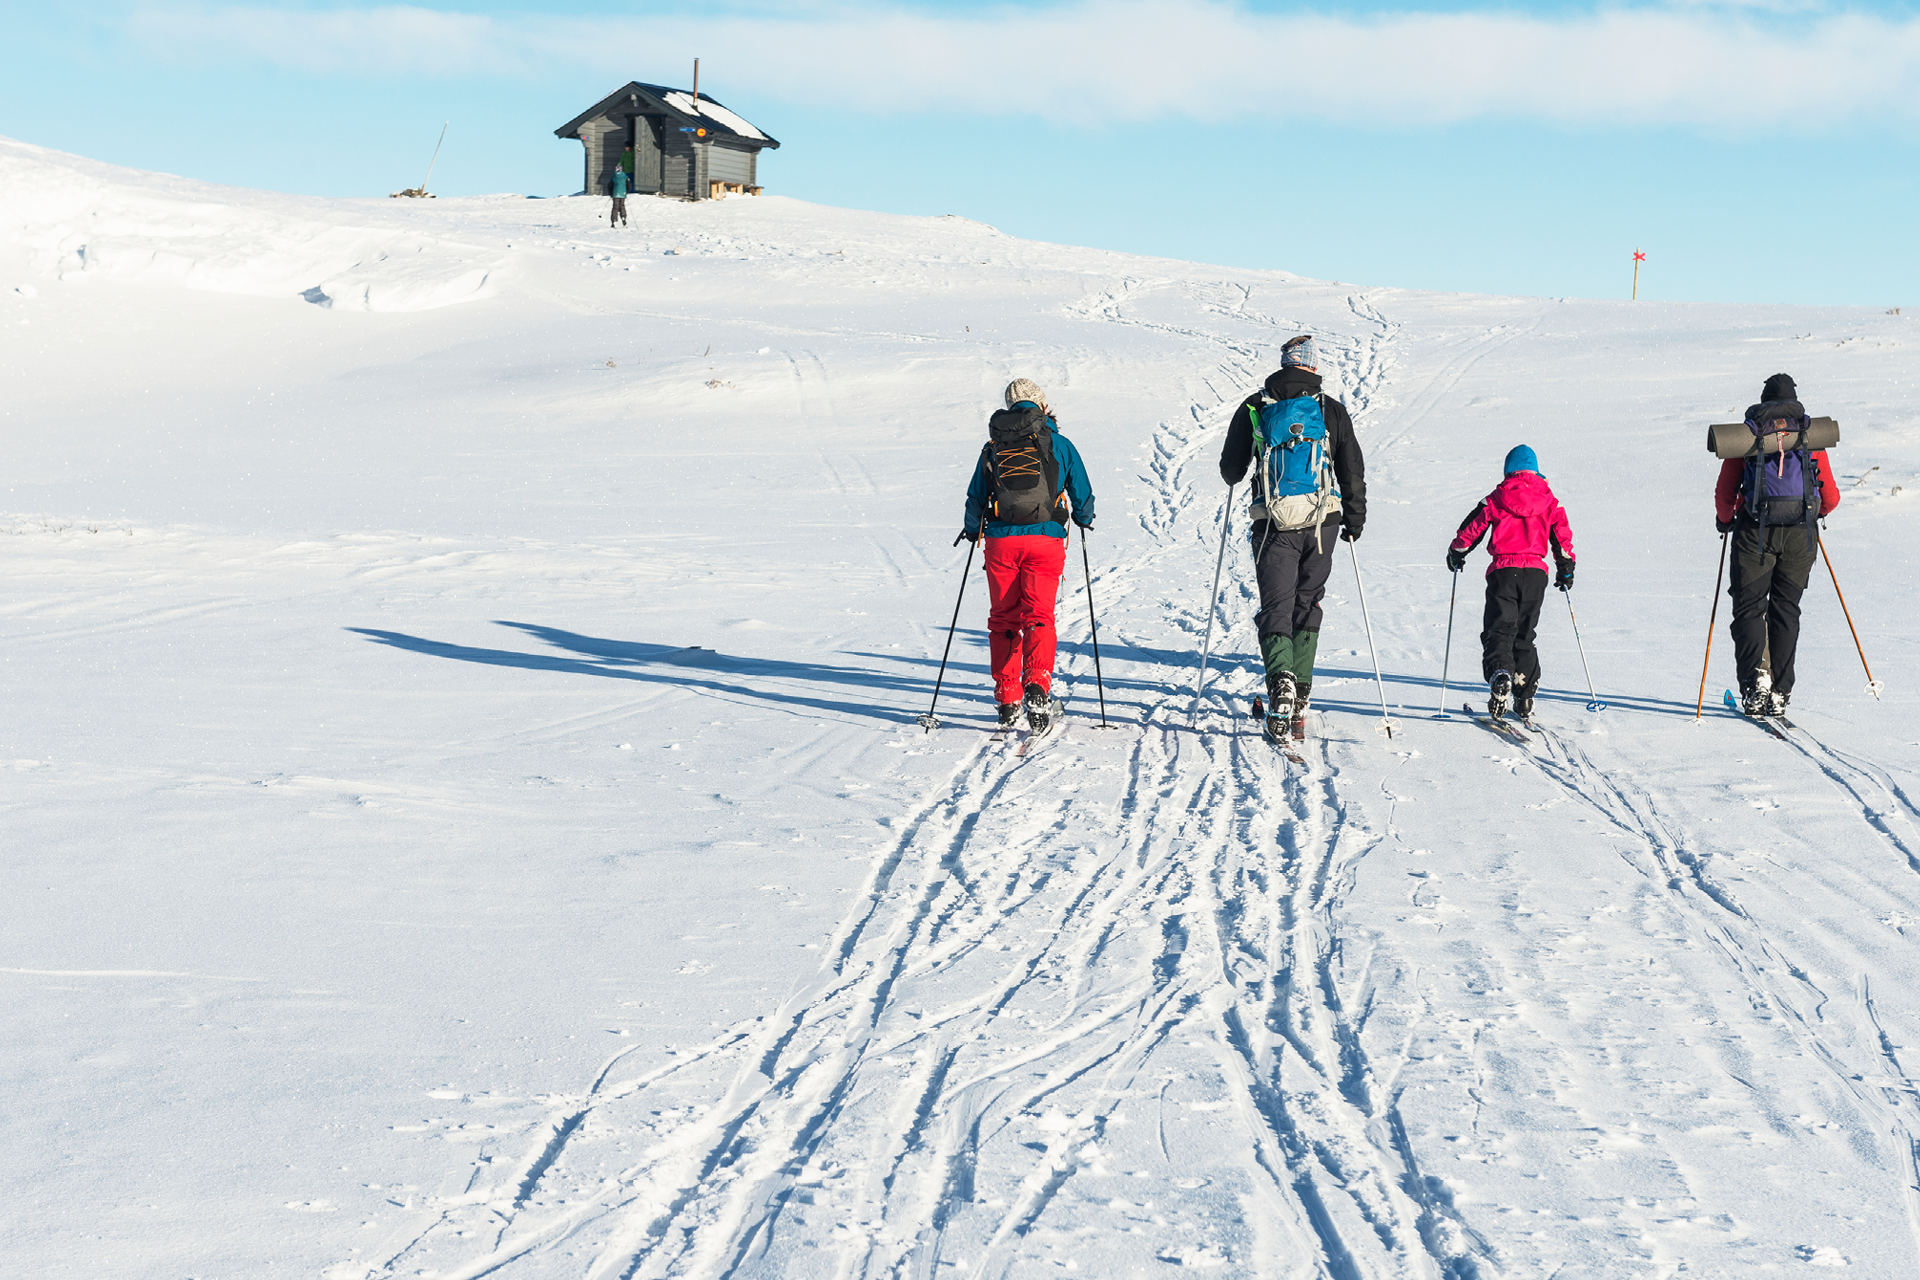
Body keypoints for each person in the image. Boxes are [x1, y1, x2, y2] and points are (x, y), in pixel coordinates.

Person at [1218, 335, 1367, 742]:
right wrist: (1354, 519)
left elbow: (1231, 471)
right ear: (1313, 366)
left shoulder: (1255, 406)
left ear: (1284, 364)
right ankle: (1299, 693)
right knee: (1308, 602)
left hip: (1273, 524)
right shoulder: (1330, 409)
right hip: (1323, 523)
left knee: (1276, 606)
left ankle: (1280, 680)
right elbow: (1351, 470)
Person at [960, 379, 1096, 734]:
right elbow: (1082, 492)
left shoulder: (994, 445)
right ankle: (1037, 684)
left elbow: (976, 496)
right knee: (1039, 616)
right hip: (1045, 540)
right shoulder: (1059, 444)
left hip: (1001, 542)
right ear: (1042, 407)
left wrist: (973, 529)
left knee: (1004, 619)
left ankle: (1008, 698)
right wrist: (1083, 517)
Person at [1715, 373, 1840, 716]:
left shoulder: (1750, 434)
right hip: (1801, 536)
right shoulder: (1808, 435)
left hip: (1754, 534)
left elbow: (1725, 492)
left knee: (1750, 608)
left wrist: (1725, 519)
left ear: (1764, 401)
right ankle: (1781, 691)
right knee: (1786, 609)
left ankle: (1756, 684)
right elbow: (1830, 496)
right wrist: (1814, 513)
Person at [1446, 445, 1576, 721]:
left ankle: (1500, 674)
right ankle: (1524, 696)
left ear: (1508, 469)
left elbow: (1472, 529)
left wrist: (1457, 553)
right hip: (1535, 576)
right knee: (1525, 635)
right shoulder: (1550, 501)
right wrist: (1565, 568)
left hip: (1504, 573)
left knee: (1500, 630)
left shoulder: (1497, 498)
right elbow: (1562, 537)